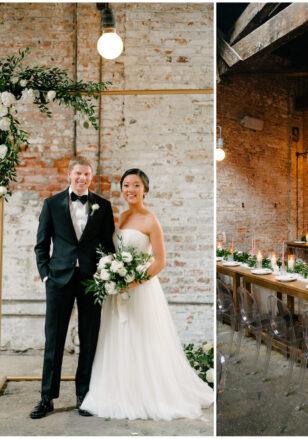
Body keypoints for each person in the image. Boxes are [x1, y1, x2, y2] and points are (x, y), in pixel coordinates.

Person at [79, 169, 213, 420]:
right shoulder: (121, 216)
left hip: (140, 289)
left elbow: (160, 261)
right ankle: (116, 390)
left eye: (136, 185)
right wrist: (112, 276)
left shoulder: (151, 220)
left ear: (145, 190)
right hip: (117, 289)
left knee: (142, 339)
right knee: (117, 338)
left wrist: (132, 282)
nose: (130, 189)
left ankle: (146, 393)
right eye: (126, 185)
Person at [32, 156, 116, 419]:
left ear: (92, 177)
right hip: (59, 280)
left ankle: (84, 394)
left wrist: (105, 274)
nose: (82, 178)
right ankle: (47, 398)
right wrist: (46, 275)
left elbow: (108, 246)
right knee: (54, 340)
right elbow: (41, 244)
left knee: (89, 338)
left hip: (92, 280)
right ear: (69, 175)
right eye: (78, 173)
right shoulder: (52, 204)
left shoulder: (103, 206)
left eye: (87, 174)